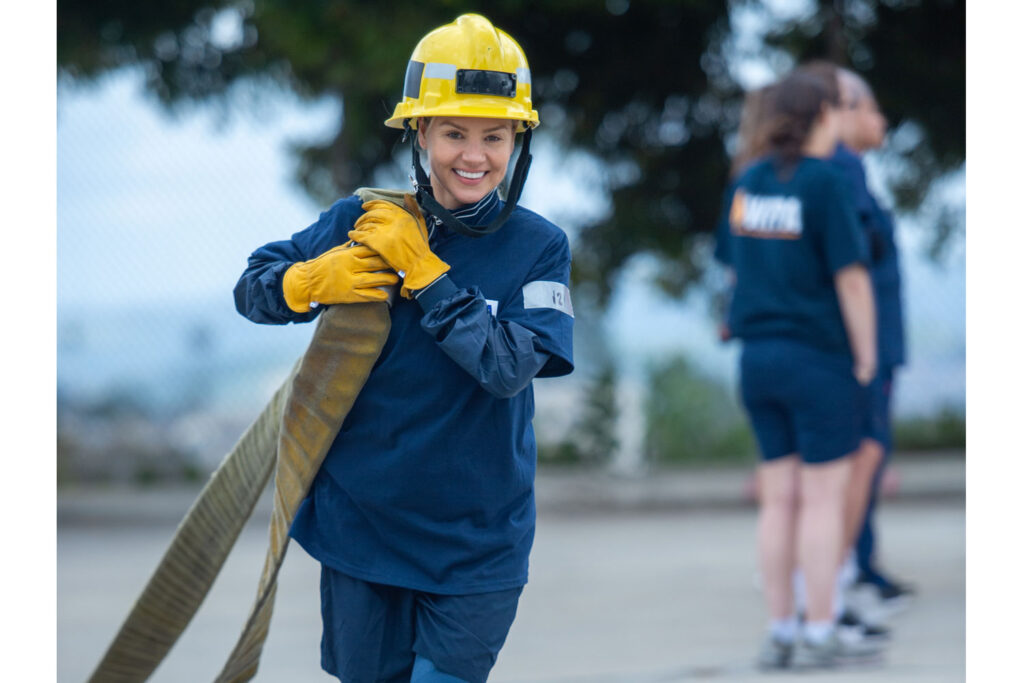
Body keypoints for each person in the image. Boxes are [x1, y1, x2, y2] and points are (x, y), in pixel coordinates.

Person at [233, 14, 574, 683]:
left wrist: (427, 276)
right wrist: (303, 283)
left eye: (494, 135)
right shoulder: (362, 221)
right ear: (420, 132)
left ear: (518, 140)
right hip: (363, 530)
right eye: (453, 132)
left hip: (479, 542)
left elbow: (506, 369)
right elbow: (252, 287)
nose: (473, 155)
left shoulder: (540, 249)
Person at [714, 70, 880, 670]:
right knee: (822, 500)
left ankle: (781, 631)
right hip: (818, 359)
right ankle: (820, 631)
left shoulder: (748, 182)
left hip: (758, 360)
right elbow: (853, 278)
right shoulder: (827, 183)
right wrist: (866, 356)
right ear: (822, 117)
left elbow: (731, 272)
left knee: (778, 498)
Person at [829, 66, 914, 615]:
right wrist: (864, 354)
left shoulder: (852, 171)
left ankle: (856, 564)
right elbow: (851, 268)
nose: (881, 120)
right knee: (860, 455)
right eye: (873, 107)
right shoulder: (839, 172)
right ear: (846, 110)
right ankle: (845, 576)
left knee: (866, 458)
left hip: (876, 342)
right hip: (861, 349)